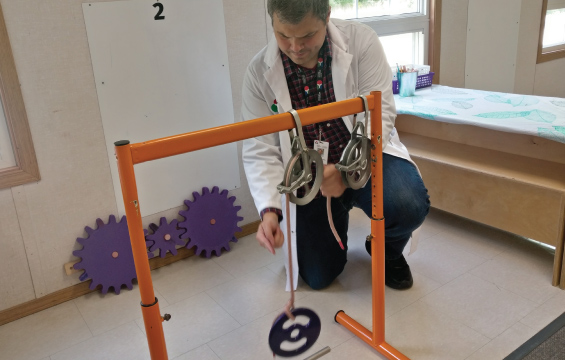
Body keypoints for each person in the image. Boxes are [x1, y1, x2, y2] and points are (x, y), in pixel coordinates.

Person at [241, 0, 430, 291]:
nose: (295, 47)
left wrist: (344, 175)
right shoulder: (258, 73)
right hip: (311, 177)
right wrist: (269, 211)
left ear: (327, 16)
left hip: (367, 158)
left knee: (408, 204)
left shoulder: (362, 42)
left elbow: (379, 118)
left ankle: (387, 249)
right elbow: (259, 149)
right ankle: (335, 218)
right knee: (318, 277)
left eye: (307, 36)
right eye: (283, 36)